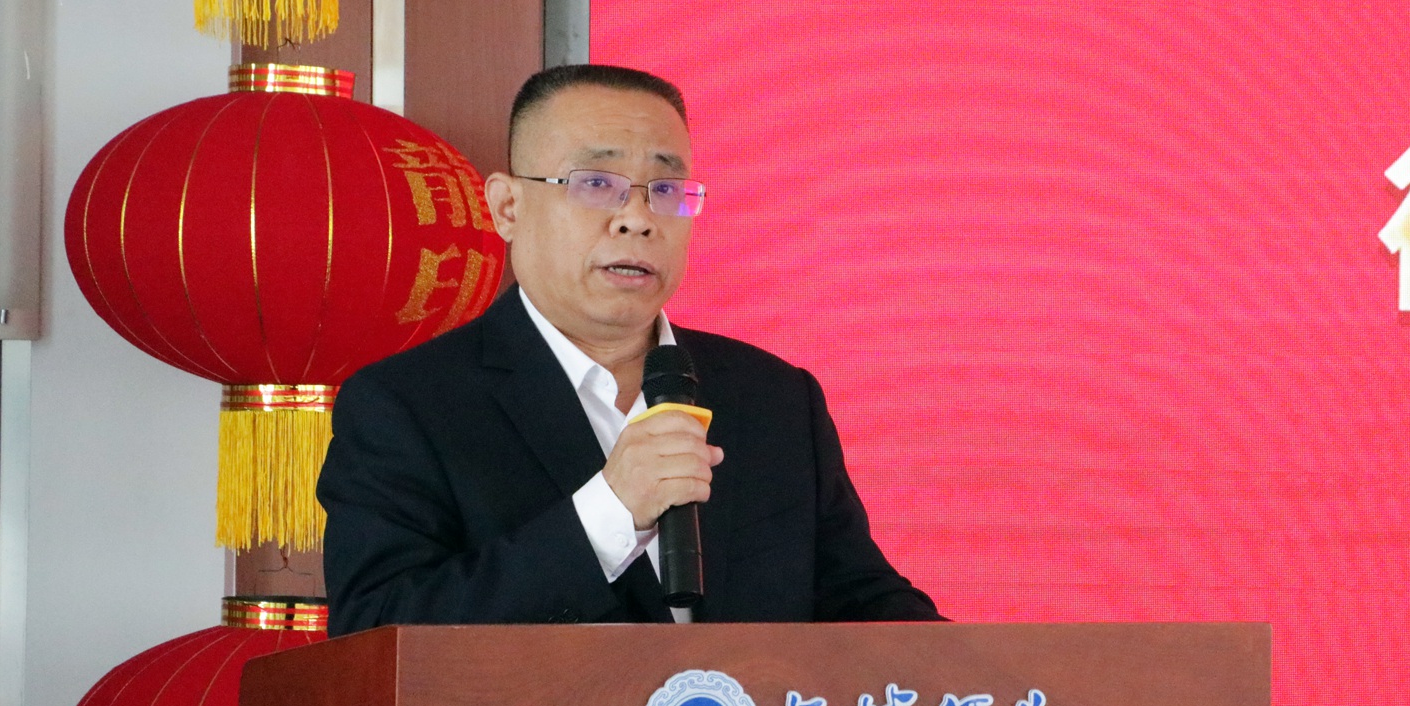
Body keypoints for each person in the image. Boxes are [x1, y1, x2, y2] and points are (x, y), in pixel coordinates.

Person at [318, 64, 942, 635]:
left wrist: (981, 672)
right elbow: (378, 635)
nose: (638, 219)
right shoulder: (405, 405)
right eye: (596, 183)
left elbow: (860, 604)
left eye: (666, 189)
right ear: (507, 206)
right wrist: (610, 512)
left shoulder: (773, 397)